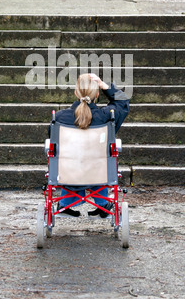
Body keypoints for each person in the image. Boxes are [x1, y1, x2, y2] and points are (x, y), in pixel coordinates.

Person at [52, 73, 130, 218]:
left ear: (76, 92)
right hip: (99, 172)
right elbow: (123, 102)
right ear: (97, 94)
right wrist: (105, 85)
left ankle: (64, 203)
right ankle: (102, 203)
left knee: (74, 159)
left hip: (70, 172)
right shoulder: (107, 116)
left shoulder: (59, 118)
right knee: (100, 160)